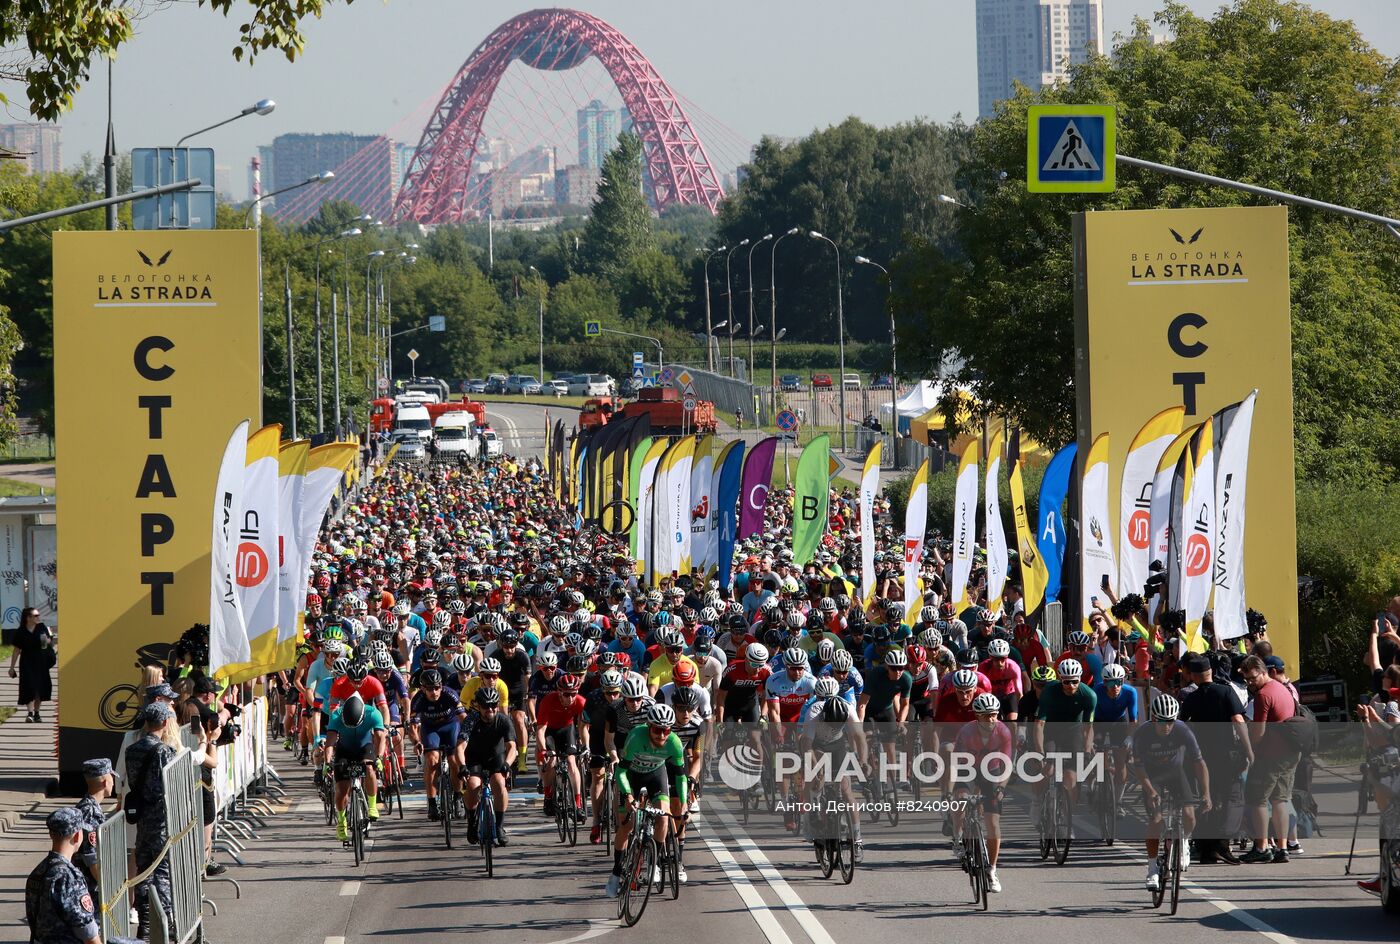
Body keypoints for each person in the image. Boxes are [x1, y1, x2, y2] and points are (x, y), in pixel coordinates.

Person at [1133, 693, 1211, 891]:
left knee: (1189, 815)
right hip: (1151, 776)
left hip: (1176, 774)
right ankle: (1151, 870)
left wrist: (1206, 792)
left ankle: (1184, 840)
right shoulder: (1143, 734)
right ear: (1153, 719)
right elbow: (1139, 768)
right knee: (1156, 819)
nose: (1166, 726)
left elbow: (1198, 762)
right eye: (1161, 722)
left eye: (1170, 722)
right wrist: (1150, 790)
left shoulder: (1182, 730)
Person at [123, 703, 180, 939]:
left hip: (142, 817)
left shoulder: (133, 749)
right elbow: (167, 787)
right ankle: (164, 922)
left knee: (144, 870)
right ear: (165, 723)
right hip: (161, 819)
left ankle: (145, 922)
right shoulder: (164, 751)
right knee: (162, 871)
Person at [1240, 654, 1303, 863]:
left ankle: (1262, 846)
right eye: (1247, 680)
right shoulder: (1282, 688)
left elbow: (1258, 732)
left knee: (1257, 799)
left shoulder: (1263, 695)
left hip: (1271, 755)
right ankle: (1283, 847)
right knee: (1280, 799)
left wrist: (1250, 751)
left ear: (1263, 672)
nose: (1250, 683)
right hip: (1290, 752)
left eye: (1253, 678)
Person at [24, 807, 104, 944]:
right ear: (78, 836)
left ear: (51, 834)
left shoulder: (38, 871)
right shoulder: (69, 877)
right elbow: (87, 932)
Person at [324, 692, 387, 841]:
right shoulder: (336, 716)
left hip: (365, 747)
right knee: (341, 791)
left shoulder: (373, 713)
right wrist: (327, 763)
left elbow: (380, 737)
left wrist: (379, 758)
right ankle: (341, 822)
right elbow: (330, 743)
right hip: (344, 750)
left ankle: (372, 805)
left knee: (370, 768)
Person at [73, 758, 114, 898]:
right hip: (90, 887)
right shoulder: (90, 812)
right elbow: (92, 858)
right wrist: (107, 886)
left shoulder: (86, 806)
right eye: (111, 777)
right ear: (105, 782)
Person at [8, 606, 55, 722]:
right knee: (28, 687)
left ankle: (37, 713)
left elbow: (46, 645)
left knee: (39, 688)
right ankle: (30, 713)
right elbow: (16, 650)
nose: (38, 617)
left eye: (38, 615)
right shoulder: (20, 631)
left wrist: (47, 640)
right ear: (28, 618)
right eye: (35, 615)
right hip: (27, 662)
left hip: (41, 661)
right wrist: (12, 667)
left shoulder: (42, 627)